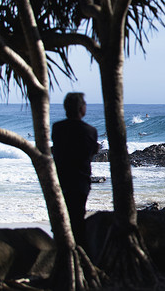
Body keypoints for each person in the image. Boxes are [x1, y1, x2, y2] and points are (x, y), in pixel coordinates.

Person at [52, 92, 99, 248]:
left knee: (63, 217)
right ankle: (79, 252)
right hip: (80, 182)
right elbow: (92, 152)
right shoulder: (90, 131)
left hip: (61, 179)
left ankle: (63, 249)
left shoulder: (57, 128)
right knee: (78, 218)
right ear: (81, 108)